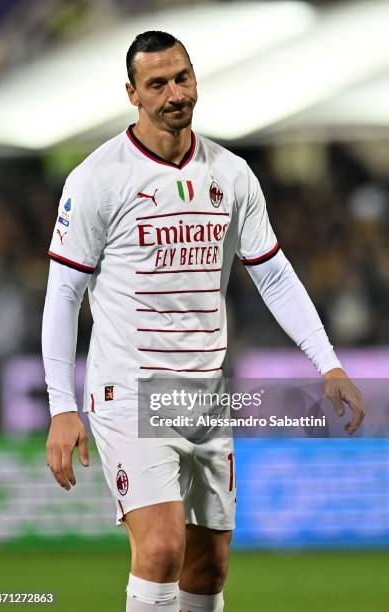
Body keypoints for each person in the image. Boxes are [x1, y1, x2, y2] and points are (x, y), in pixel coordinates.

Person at [42, 31, 365, 612]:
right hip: (128, 388)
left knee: (208, 566)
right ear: (132, 94)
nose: (174, 93)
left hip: (205, 394)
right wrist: (62, 405)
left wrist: (328, 362)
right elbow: (64, 293)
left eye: (182, 77)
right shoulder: (98, 178)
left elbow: (273, 274)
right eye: (157, 83)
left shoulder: (232, 174)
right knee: (162, 547)